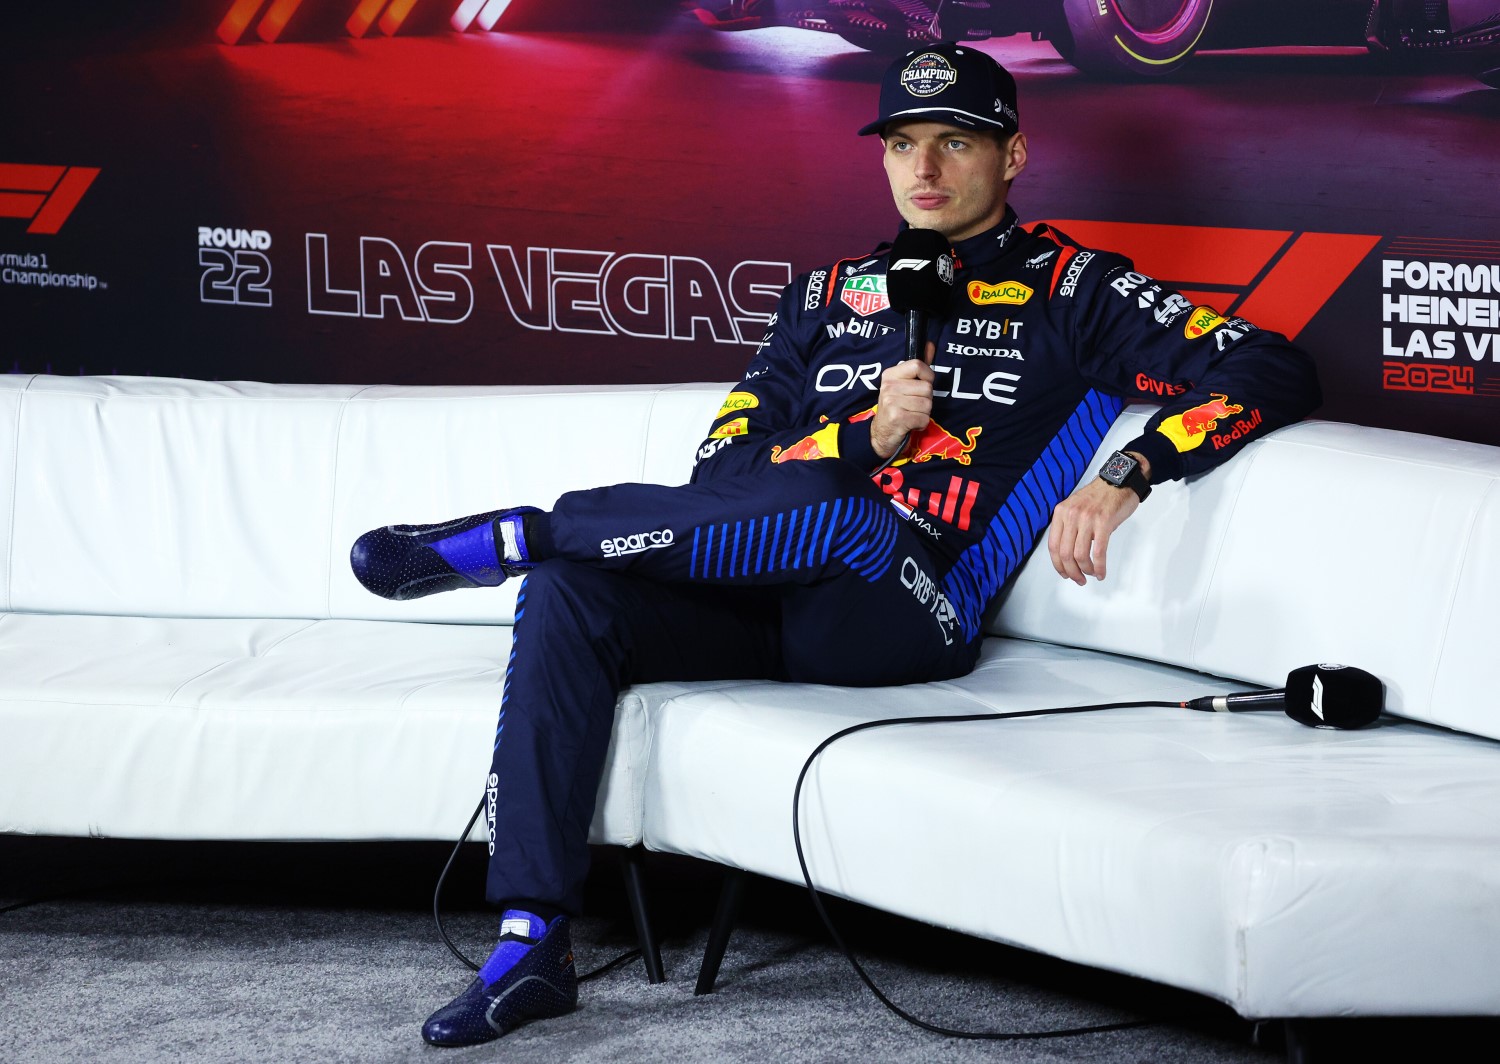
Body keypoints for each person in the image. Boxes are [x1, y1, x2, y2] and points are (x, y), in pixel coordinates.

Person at [350, 43, 1320, 1046]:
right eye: (903, 143)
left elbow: (1272, 367)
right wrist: (863, 434)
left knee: (849, 511)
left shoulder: (1075, 289)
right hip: (766, 599)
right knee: (569, 593)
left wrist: (1132, 470)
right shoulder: (825, 295)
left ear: (1014, 155)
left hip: (913, 608)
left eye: (956, 141)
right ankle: (529, 939)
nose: (926, 169)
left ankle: (520, 528)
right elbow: (719, 470)